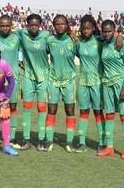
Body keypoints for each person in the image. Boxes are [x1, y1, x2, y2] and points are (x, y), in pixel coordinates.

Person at [97, 19, 124, 160]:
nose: (106, 34)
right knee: (109, 115)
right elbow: (96, 36)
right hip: (107, 84)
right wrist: (118, 35)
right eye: (104, 31)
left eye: (109, 31)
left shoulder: (121, 44)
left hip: (120, 85)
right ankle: (110, 147)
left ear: (114, 30)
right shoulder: (103, 44)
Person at [0, 15, 21, 149]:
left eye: (7, 25)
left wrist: (21, 59)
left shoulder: (17, 38)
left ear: (11, 25)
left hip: (13, 78)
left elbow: (22, 49)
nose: (5, 28)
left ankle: (11, 137)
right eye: (2, 25)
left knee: (12, 107)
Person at [16, 14, 49, 151]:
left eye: (36, 25)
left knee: (41, 109)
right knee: (27, 109)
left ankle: (41, 140)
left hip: (43, 77)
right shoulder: (22, 33)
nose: (33, 27)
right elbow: (4, 34)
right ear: (27, 25)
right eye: (31, 25)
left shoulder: (46, 35)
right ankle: (26, 139)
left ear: (40, 25)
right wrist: (19, 57)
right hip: (28, 76)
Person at [44, 14, 77, 152]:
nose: (60, 26)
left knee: (70, 111)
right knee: (52, 109)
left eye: (62, 23)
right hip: (53, 80)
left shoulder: (74, 41)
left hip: (69, 81)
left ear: (67, 25)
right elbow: (40, 54)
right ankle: (49, 141)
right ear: (54, 26)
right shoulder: (49, 40)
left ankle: (69, 142)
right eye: (57, 24)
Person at [75, 15, 106, 153]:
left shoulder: (99, 41)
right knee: (83, 111)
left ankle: (101, 143)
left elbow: (112, 39)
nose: (86, 31)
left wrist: (120, 37)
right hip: (82, 82)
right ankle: (82, 142)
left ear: (93, 29)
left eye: (88, 28)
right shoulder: (78, 42)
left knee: (98, 112)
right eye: (83, 28)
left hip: (97, 82)